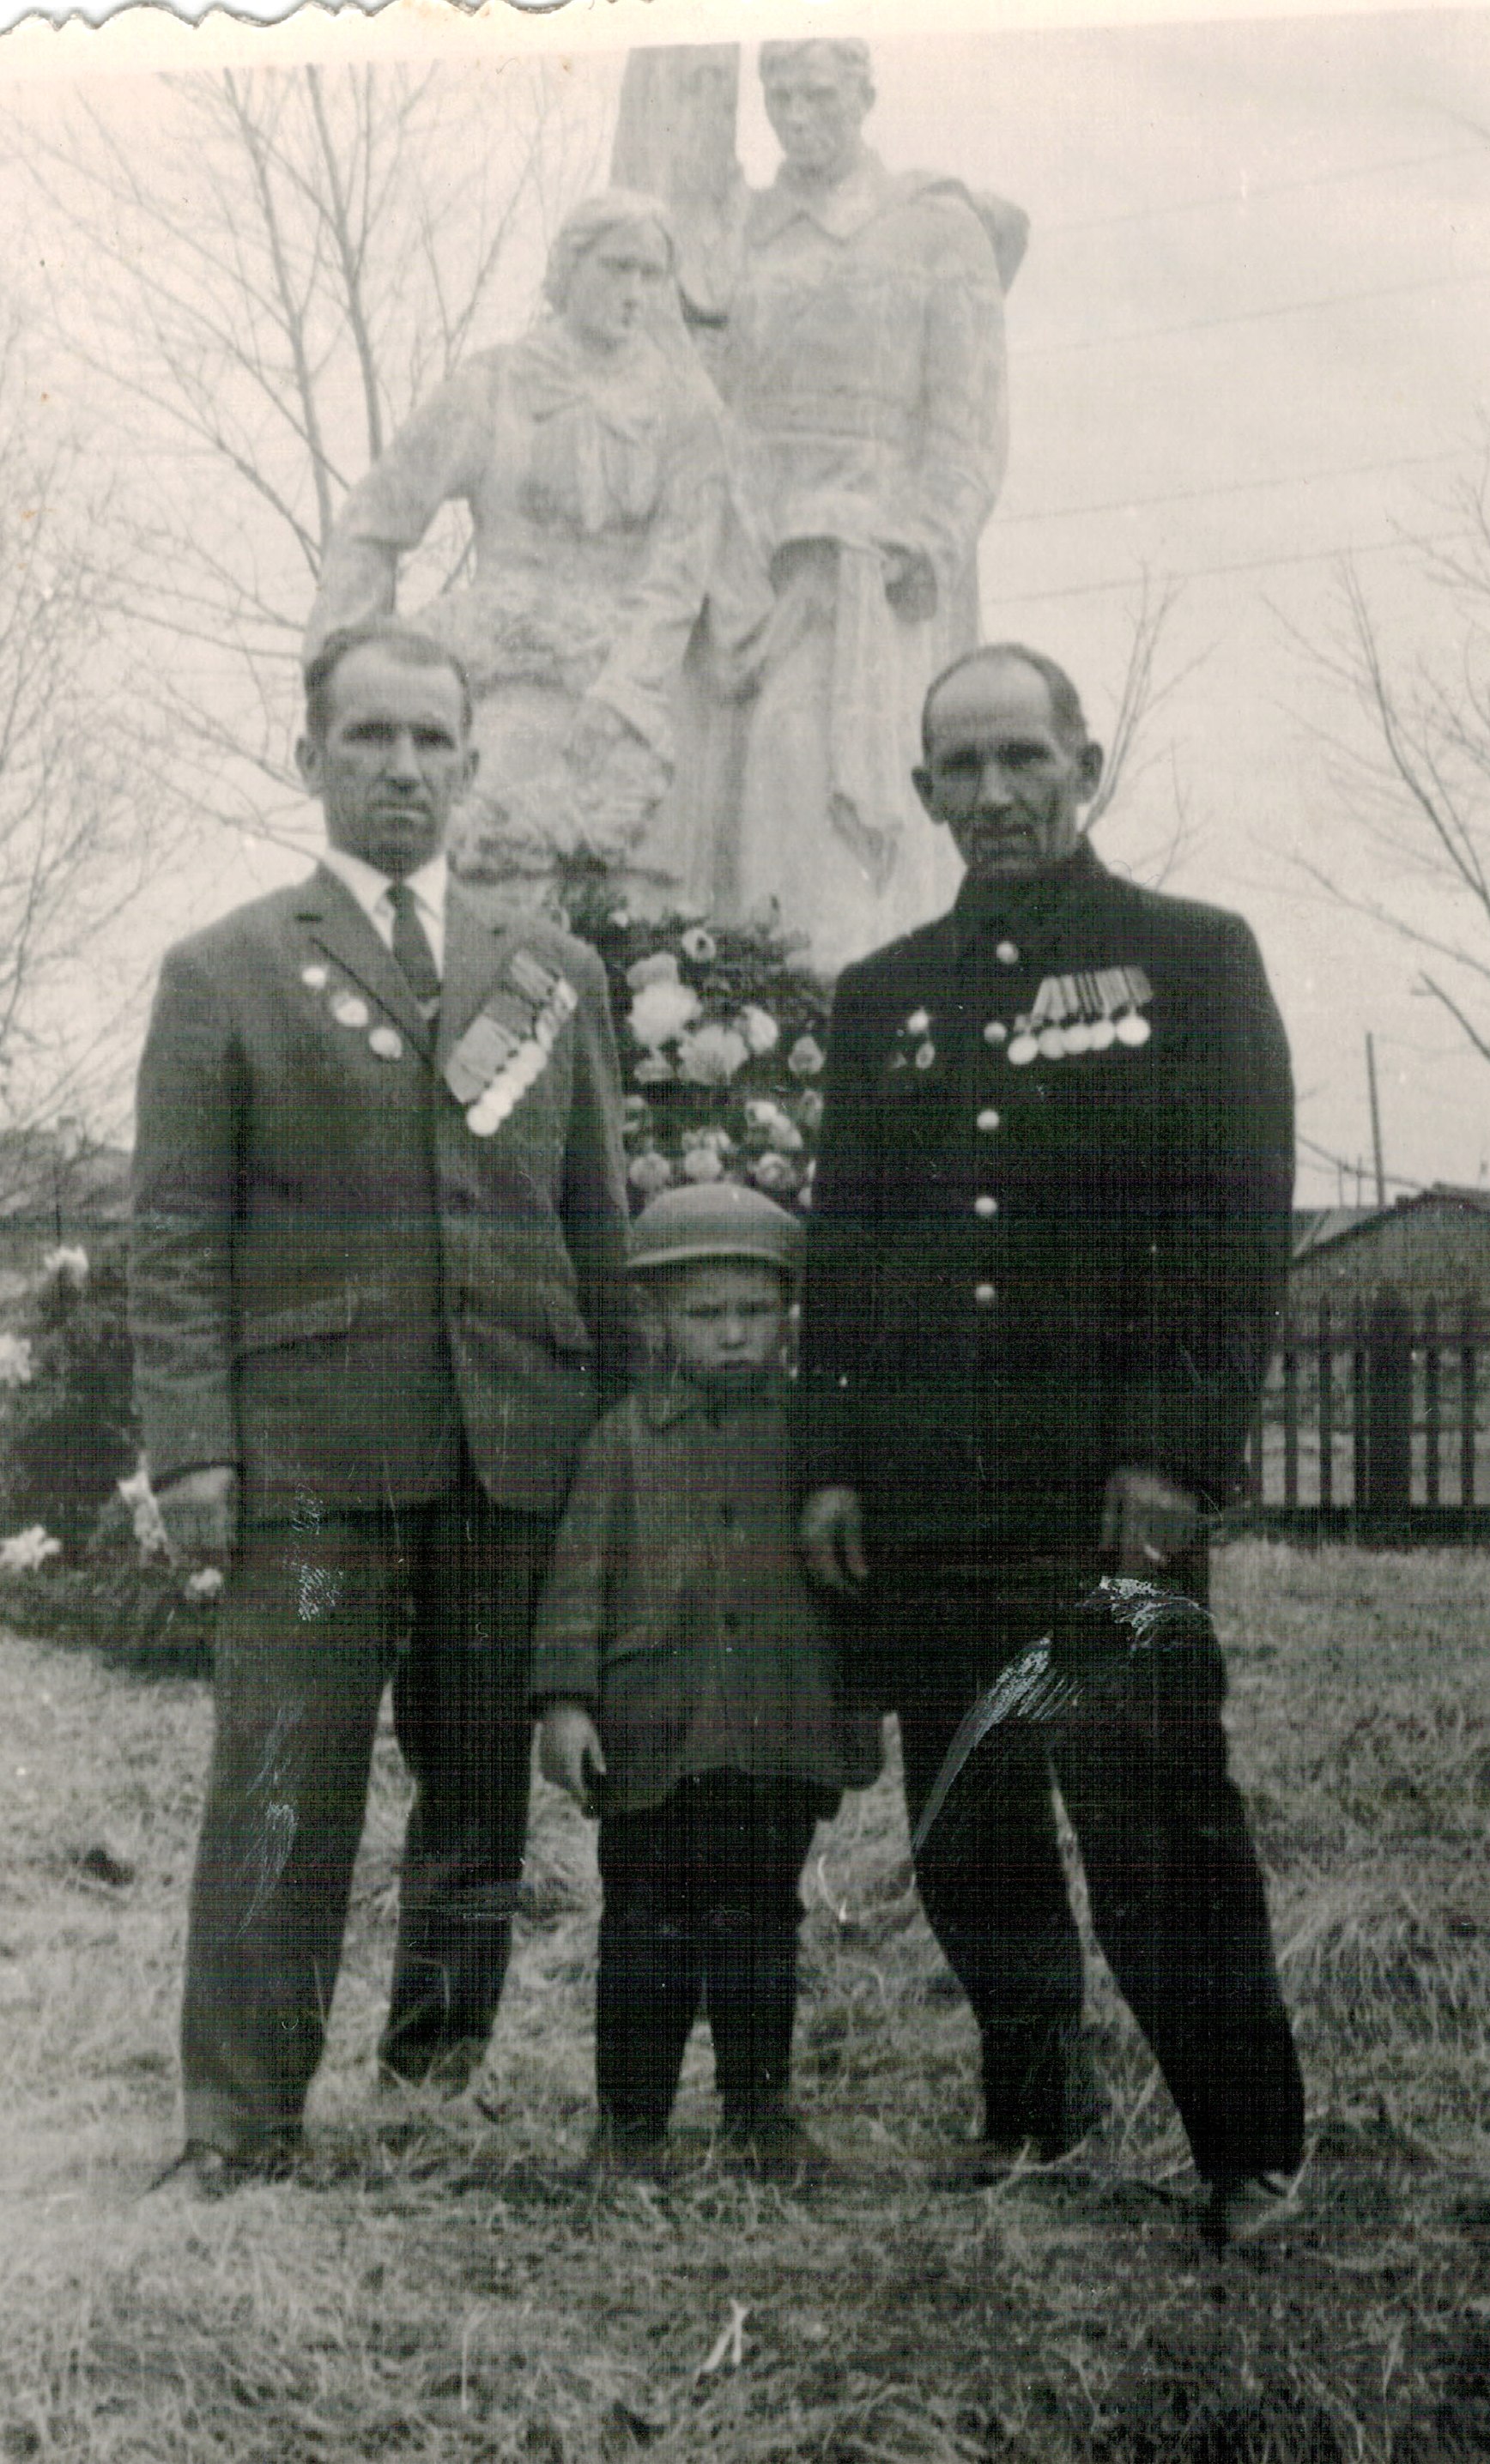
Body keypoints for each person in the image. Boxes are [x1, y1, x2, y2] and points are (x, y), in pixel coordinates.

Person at [796, 642, 1305, 2249]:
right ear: (922, 788)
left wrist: (1173, 1458)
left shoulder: (1191, 959)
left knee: (1155, 1814)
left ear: (1087, 765)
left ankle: (1247, 2145)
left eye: (1026, 757)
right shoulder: (884, 997)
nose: (997, 791)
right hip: (931, 1492)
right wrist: (831, 1462)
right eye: (963, 765)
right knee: (968, 1820)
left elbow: (1233, 1228)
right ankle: (1034, 2104)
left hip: (1104, 1493)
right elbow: (849, 1246)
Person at [130, 619, 639, 2194]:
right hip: (313, 1462)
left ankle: (434, 2080)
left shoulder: (551, 976)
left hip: (516, 1449)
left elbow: (599, 1227)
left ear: (471, 763)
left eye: (432, 739)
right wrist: (193, 1444)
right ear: (311, 756)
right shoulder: (223, 970)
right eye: (370, 736)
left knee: (478, 1790)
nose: (403, 768)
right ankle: (240, 2122)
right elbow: (176, 1231)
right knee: (284, 1782)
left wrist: (627, 1451)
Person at [533, 1182, 881, 2185]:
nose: (733, 1335)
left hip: (777, 1733)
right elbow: (576, 1582)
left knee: (761, 1919)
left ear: (787, 1313)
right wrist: (565, 1705)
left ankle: (759, 2114)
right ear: (656, 1317)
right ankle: (630, 2125)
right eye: (705, 1315)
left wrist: (856, 1713)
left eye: (754, 1312)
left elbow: (855, 1593)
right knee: (644, 1923)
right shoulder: (622, 1442)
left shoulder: (814, 1441)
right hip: (653, 1735)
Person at [305, 191, 730, 917]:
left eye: (651, 275)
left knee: (652, 897)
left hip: (633, 680)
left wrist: (623, 692)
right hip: (504, 665)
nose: (634, 292)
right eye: (617, 267)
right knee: (489, 869)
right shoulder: (493, 386)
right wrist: (351, 672)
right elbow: (374, 520)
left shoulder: (685, 412)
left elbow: (677, 576)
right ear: (567, 269)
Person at [708, 39, 1020, 973]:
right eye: (780, 98)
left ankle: (846, 1013)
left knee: (839, 809)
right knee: (743, 811)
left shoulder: (934, 227)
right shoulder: (739, 229)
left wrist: (925, 537)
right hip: (741, 562)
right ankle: (753, 1019)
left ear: (864, 95)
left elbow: (968, 422)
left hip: (870, 576)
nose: (798, 116)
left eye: (818, 94)